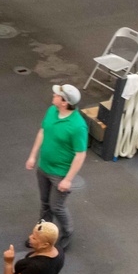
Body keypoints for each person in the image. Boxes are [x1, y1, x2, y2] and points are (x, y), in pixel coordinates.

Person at [26, 84, 87, 250]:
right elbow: (43, 132)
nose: (53, 95)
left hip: (60, 174)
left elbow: (80, 154)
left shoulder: (77, 126)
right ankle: (41, 235)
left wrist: (68, 179)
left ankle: (67, 235)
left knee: (56, 206)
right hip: (44, 167)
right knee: (45, 203)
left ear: (64, 102)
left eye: (57, 95)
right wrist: (33, 156)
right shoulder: (52, 111)